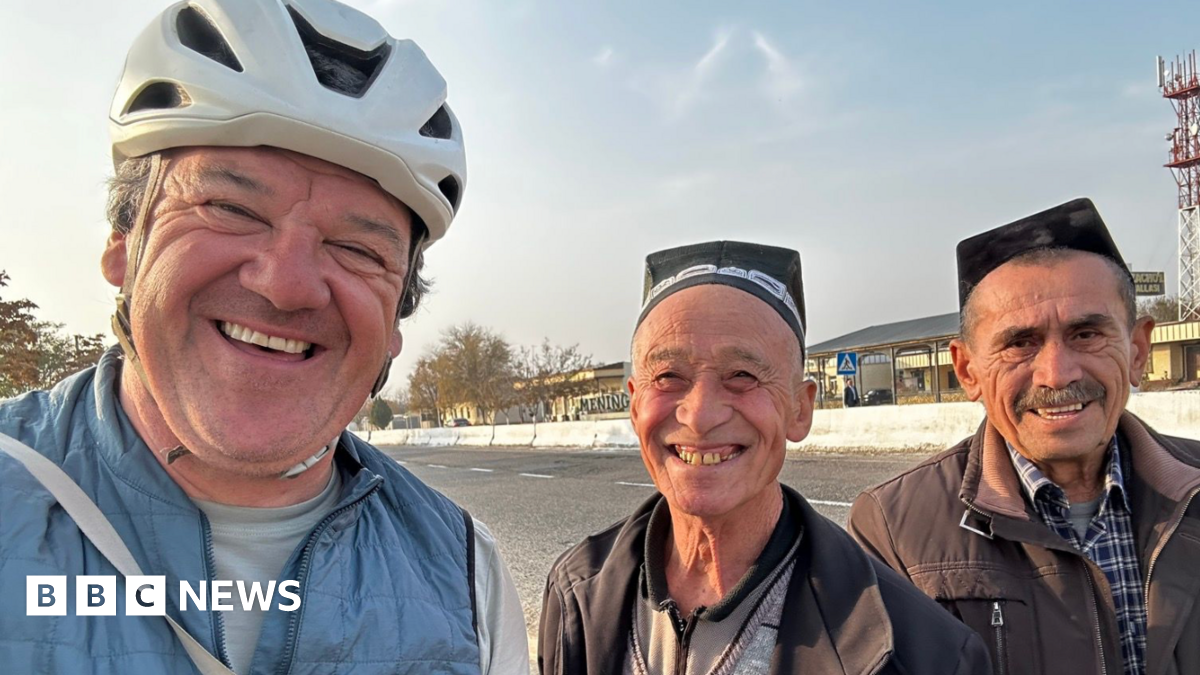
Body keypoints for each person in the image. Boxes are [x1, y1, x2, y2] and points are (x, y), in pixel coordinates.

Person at [0, 1, 528, 673]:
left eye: (359, 248)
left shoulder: (467, 575)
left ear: (396, 320)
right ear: (122, 245)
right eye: (230, 207)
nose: (288, 284)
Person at [538, 241, 991, 674]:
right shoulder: (578, 594)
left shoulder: (923, 652)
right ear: (636, 406)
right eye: (669, 375)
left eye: (742, 375)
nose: (699, 416)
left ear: (800, 409)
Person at [848, 198, 1200, 675]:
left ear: (1137, 350)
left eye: (1086, 334)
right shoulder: (893, 531)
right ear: (967, 370)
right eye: (1019, 343)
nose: (1056, 374)